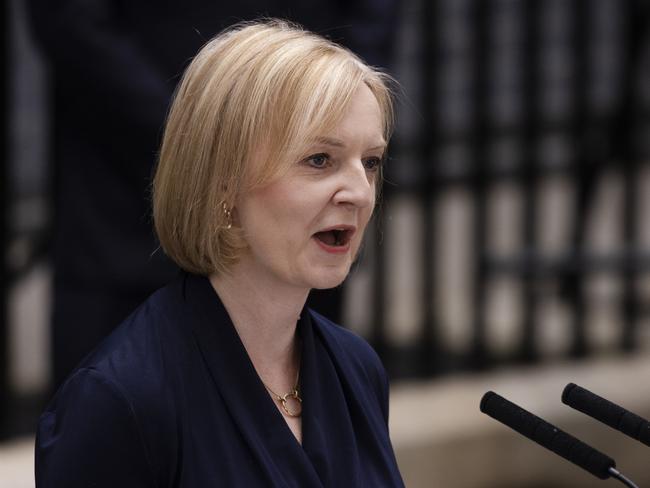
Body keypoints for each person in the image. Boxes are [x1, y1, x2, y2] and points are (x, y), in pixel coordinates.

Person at [35, 20, 404, 487]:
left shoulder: (356, 369)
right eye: (319, 160)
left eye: (370, 162)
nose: (359, 192)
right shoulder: (120, 399)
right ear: (225, 184)